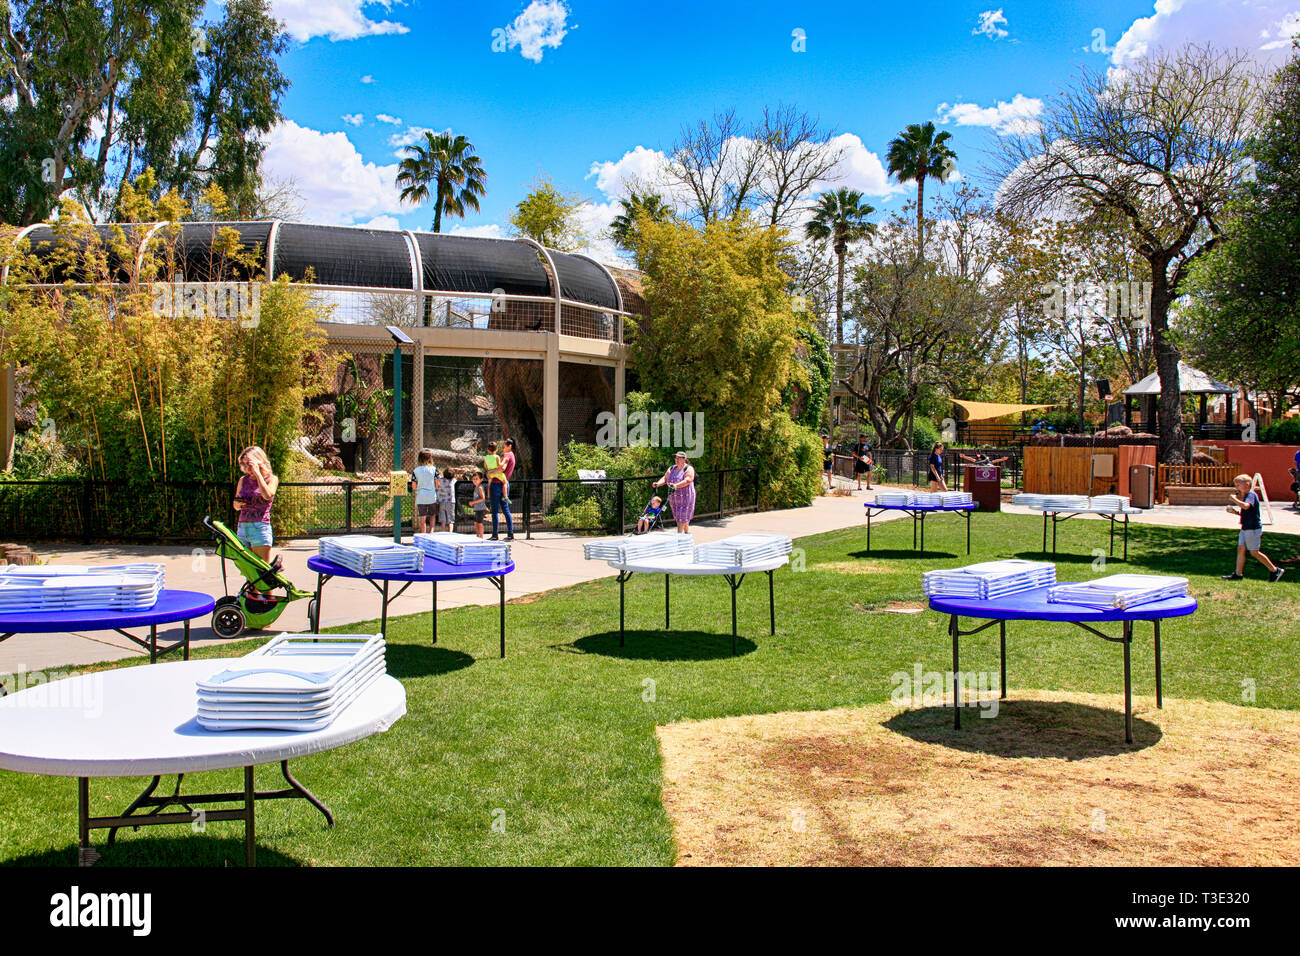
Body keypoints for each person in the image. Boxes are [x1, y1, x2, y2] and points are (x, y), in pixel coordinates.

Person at [233, 446, 279, 595]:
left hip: (260, 527)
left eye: (249, 464)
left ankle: (267, 603)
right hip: (243, 527)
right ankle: (252, 605)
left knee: (263, 571)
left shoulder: (271, 479)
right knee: (249, 571)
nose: (247, 468)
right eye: (244, 464)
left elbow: (267, 495)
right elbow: (235, 504)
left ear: (259, 461)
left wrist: (258, 474)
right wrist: (238, 504)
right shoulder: (243, 480)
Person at [1223, 475, 1284, 581]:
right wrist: (1234, 512)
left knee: (1254, 552)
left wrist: (1234, 500)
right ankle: (1238, 574)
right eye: (1235, 485)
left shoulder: (1251, 495)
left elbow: (1246, 506)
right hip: (1245, 527)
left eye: (1238, 485)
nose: (1236, 487)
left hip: (1253, 528)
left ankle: (1275, 570)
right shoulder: (1246, 496)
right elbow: (1247, 513)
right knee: (1241, 549)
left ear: (1247, 484)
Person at [654, 451, 696, 533]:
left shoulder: (688, 469)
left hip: (686, 497)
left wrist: (676, 485)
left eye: (679, 458)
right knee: (680, 518)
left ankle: (679, 538)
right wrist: (658, 484)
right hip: (674, 498)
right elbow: (665, 479)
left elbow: (688, 480)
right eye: (676, 458)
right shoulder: (671, 468)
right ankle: (687, 533)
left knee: (681, 518)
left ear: (684, 459)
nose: (676, 460)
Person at [484, 441, 513, 541]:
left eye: (504, 445)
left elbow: (501, 468)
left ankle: (495, 534)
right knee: (505, 509)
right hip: (502, 481)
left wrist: (490, 471)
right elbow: (500, 467)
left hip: (495, 483)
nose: (503, 447)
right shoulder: (507, 456)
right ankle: (510, 533)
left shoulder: (506, 455)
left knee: (495, 511)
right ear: (496, 449)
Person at [409, 449, 439, 535]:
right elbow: (437, 484)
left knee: (422, 517)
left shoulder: (416, 470)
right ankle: (431, 533)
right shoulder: (434, 469)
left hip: (421, 496)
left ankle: (423, 534)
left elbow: (414, 486)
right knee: (432, 515)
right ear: (430, 458)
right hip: (431, 495)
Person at [436, 467, 456, 532]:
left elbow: (438, 476)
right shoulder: (453, 481)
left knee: (443, 520)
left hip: (442, 501)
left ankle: (443, 533)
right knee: (450, 520)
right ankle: (450, 533)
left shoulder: (440, 480)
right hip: (451, 502)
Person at [469, 471, 487, 538]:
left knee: (479, 523)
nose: (474, 480)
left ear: (481, 480)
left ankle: (481, 537)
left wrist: (473, 502)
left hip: (480, 508)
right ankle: (477, 535)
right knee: (476, 523)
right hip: (477, 508)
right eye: (473, 479)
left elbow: (483, 498)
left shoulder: (480, 488)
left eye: (476, 479)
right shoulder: (476, 487)